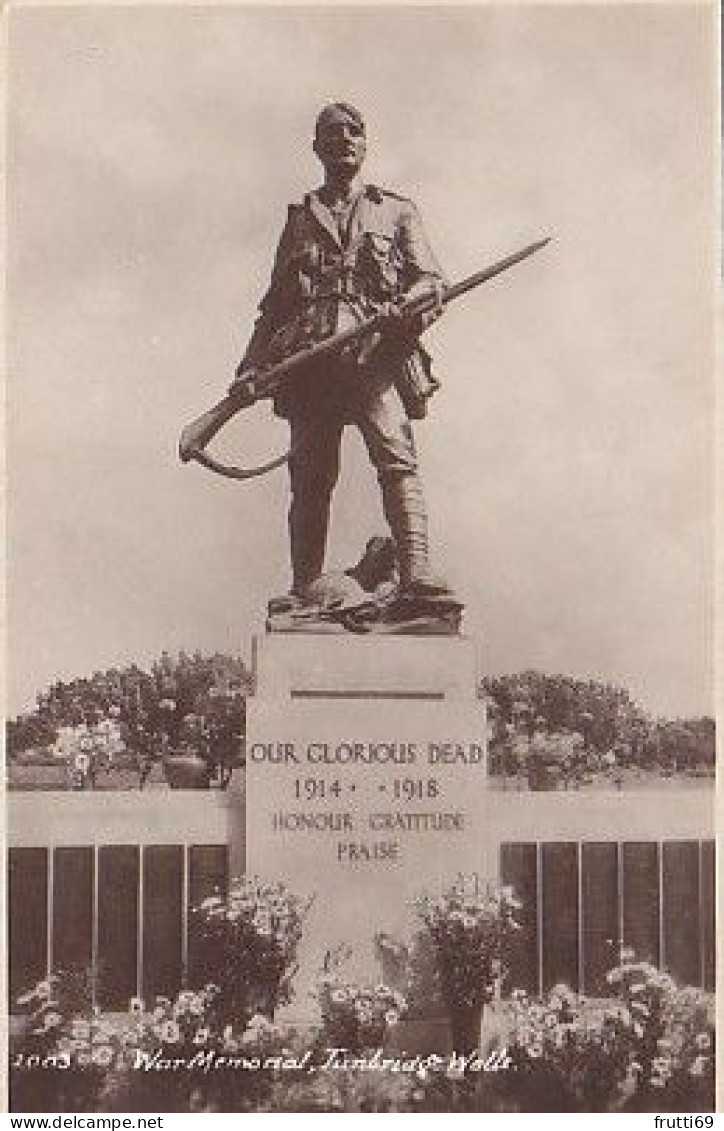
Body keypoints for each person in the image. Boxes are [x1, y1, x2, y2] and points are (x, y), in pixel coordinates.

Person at [232, 101, 455, 609]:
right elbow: (274, 305)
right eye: (332, 133)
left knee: (397, 459)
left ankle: (417, 571)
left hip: (375, 355)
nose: (344, 139)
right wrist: (249, 367)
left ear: (365, 143)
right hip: (310, 362)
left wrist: (412, 304)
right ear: (317, 147)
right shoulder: (299, 220)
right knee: (311, 477)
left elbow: (431, 279)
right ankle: (305, 585)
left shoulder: (397, 211)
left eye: (354, 132)